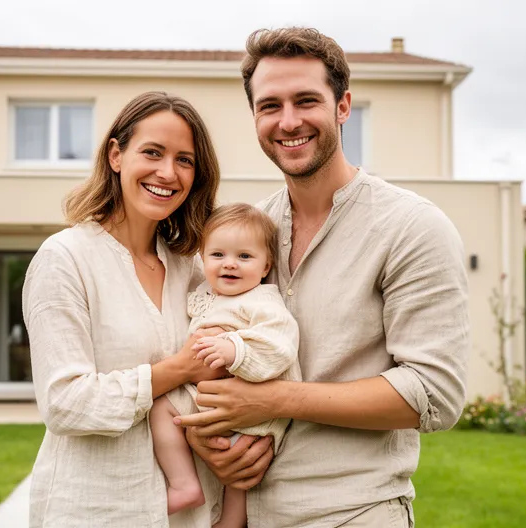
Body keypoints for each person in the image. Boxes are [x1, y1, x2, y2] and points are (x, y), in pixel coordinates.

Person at [175, 27, 471, 527]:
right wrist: (206, 438)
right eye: (270, 106)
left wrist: (269, 401)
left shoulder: (412, 226)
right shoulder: (247, 234)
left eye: (305, 100)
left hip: (353, 512)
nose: (287, 121)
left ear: (343, 105)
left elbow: (435, 393)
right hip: (244, 513)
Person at [21, 91, 227, 527]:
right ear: (116, 155)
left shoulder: (192, 268)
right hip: (95, 509)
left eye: (185, 160)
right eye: (152, 152)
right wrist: (178, 370)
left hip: (191, 514)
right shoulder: (66, 258)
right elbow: (65, 402)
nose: (167, 173)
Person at [149, 202, 301, 528]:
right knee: (163, 409)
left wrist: (234, 350)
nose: (230, 264)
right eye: (218, 255)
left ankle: (208, 504)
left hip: (255, 409)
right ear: (202, 259)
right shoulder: (208, 294)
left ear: (265, 266)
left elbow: (280, 346)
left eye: (244, 257)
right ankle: (192, 490)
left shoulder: (263, 302)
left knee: (239, 471)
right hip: (214, 402)